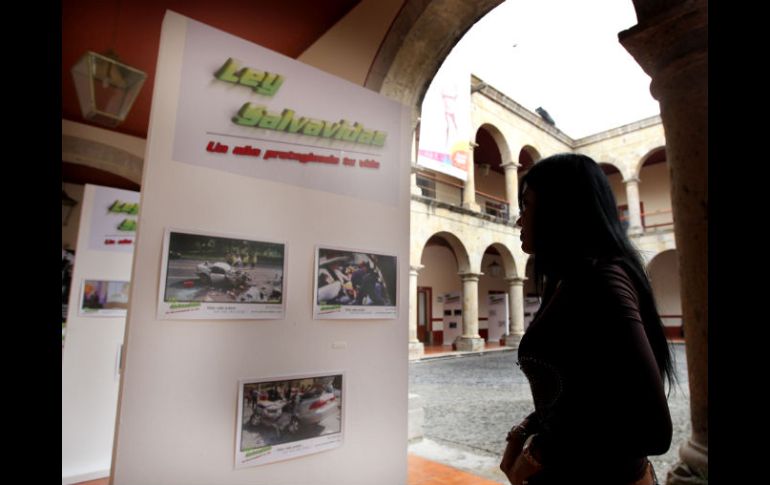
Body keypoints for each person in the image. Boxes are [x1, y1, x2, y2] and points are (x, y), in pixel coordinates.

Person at [499, 153, 674, 485]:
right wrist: (528, 427)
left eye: (526, 206)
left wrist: (541, 452)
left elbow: (652, 429)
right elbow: (585, 393)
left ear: (560, 209)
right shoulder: (568, 279)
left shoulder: (603, 280)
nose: (519, 220)